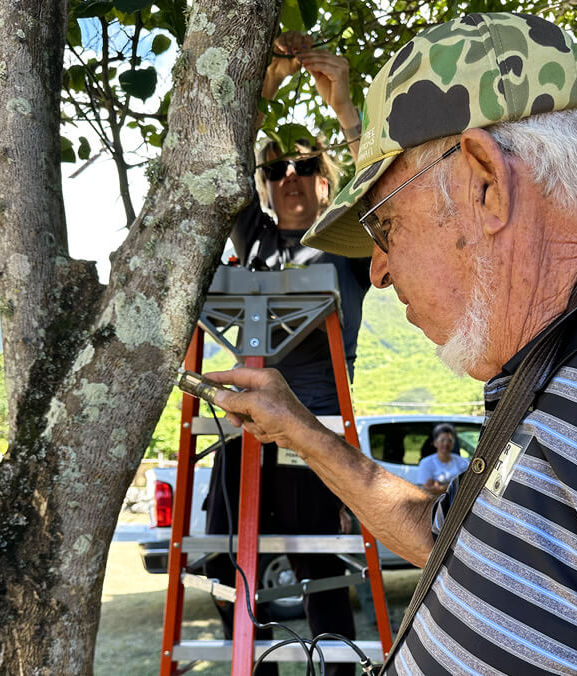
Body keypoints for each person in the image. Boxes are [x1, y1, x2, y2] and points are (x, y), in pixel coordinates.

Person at [204, 12, 577, 674]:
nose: (379, 273)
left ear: (484, 180)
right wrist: (302, 432)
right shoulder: (555, 364)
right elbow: (447, 538)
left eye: (385, 226)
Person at [202, 31, 370, 676]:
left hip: (313, 424)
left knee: (317, 563)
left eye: (305, 167)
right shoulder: (254, 233)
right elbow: (225, 169)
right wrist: (260, 90)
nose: (290, 178)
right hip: (242, 427)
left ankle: (338, 670)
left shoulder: (345, 239)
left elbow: (381, 192)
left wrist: (346, 112)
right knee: (222, 558)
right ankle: (259, 669)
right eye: (276, 170)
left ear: (326, 182)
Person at [416, 423, 467, 496]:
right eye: (442, 440)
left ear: (453, 443)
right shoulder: (426, 463)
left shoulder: (463, 462)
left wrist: (440, 487)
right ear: (435, 443)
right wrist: (456, 485)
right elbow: (425, 492)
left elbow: (467, 487)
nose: (446, 444)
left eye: (449, 440)